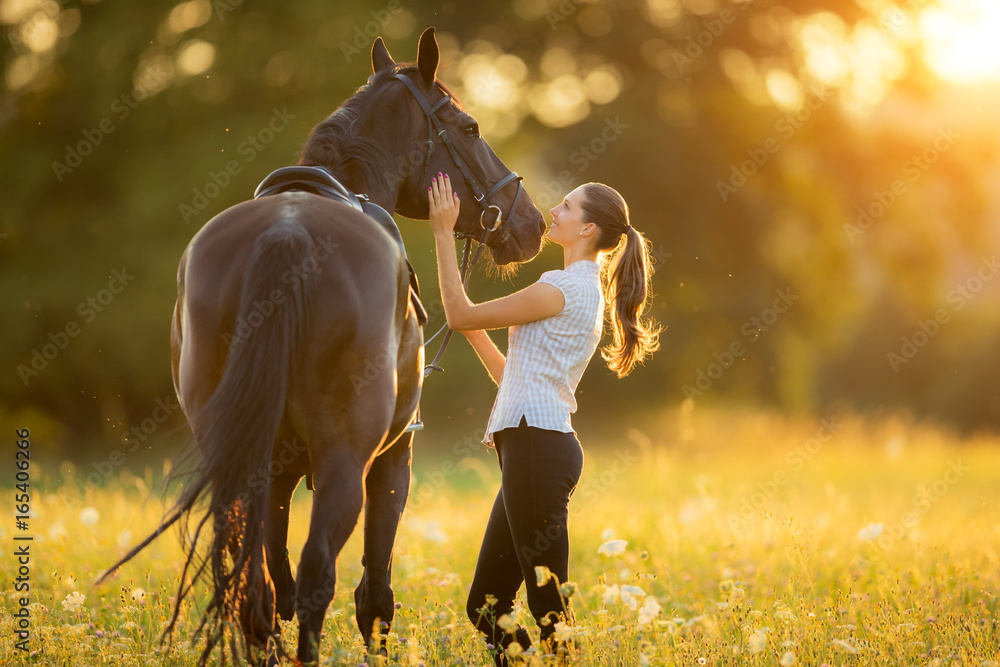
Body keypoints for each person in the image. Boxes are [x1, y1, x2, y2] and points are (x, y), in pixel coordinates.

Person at [427, 172, 661, 665]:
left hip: (539, 448)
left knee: (547, 606)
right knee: (487, 608)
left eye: (568, 207)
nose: (555, 210)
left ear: (588, 230)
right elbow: (513, 375)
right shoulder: (580, 290)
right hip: (534, 447)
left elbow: (455, 311)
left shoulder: (563, 287)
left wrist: (443, 232)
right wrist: (474, 329)